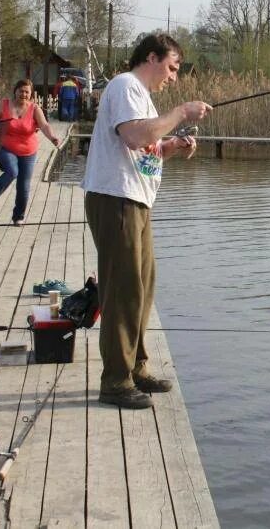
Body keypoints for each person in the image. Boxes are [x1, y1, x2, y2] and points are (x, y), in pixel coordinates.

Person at [82, 33, 211, 410]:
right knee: (123, 290)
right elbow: (136, 135)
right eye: (172, 67)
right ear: (151, 57)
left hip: (135, 200)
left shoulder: (142, 97)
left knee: (142, 287)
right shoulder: (125, 85)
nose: (173, 77)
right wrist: (181, 113)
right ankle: (116, 382)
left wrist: (173, 146)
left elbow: (146, 150)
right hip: (115, 198)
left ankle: (136, 367)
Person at [0, 79, 60, 224]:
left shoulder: (35, 109)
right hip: (6, 148)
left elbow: (44, 125)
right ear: (15, 91)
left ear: (30, 94)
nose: (23, 94)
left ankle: (18, 217)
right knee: (12, 171)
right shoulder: (3, 105)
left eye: (26, 92)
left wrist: (52, 137)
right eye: (21, 91)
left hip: (29, 151)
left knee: (23, 186)